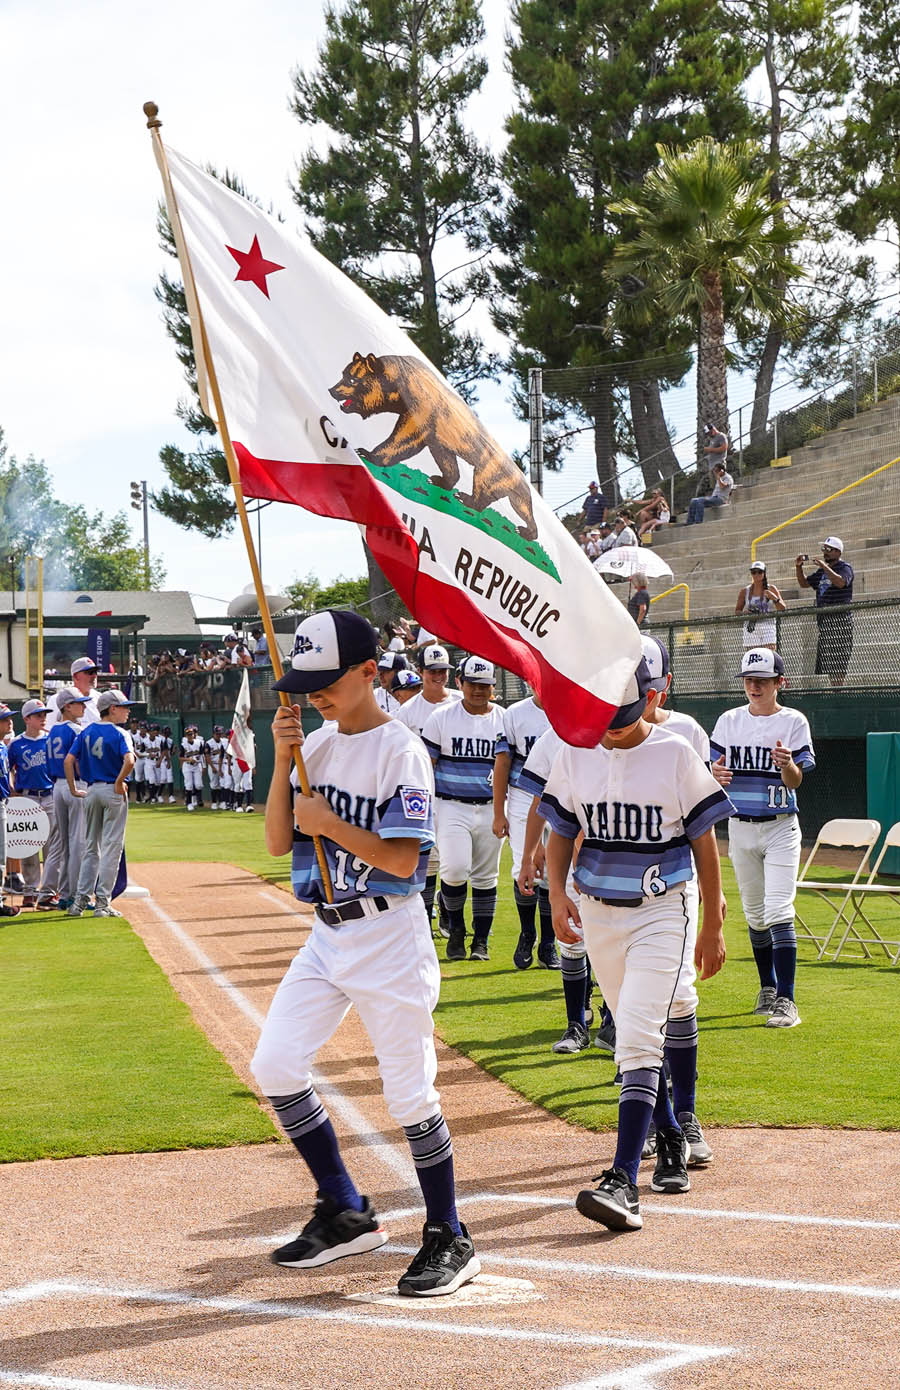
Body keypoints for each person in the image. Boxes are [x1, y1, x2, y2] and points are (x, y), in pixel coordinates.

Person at [250, 609, 479, 1296]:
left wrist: (330, 823)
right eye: (306, 683)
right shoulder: (314, 747)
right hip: (329, 933)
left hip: (389, 936)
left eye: (327, 681)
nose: (314, 694)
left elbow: (405, 859)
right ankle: (347, 1209)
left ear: (368, 673)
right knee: (276, 1063)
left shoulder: (401, 749)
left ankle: (450, 1235)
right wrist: (285, 758)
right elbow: (273, 841)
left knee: (409, 1093)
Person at [540, 658, 733, 1229]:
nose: (613, 729)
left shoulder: (674, 752)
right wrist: (556, 894)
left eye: (623, 719)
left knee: (640, 1032)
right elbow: (561, 830)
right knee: (630, 1029)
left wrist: (714, 922)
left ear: (647, 701)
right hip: (600, 911)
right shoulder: (575, 749)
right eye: (605, 719)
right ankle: (671, 1135)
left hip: (663, 909)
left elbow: (704, 840)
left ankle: (623, 1179)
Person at [710, 648, 814, 1030]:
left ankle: (787, 1000)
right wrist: (714, 778)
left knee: (778, 910)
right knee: (754, 914)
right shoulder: (728, 721)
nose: (754, 686)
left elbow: (797, 781)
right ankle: (767, 987)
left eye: (763, 681)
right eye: (749, 680)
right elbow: (713, 771)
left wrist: (787, 766)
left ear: (779, 684)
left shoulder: (793, 722)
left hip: (780, 826)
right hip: (739, 825)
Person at [516, 726, 596, 1053]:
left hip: (620, 859)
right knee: (573, 941)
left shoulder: (627, 733)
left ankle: (614, 1022)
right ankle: (576, 1023)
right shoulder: (553, 738)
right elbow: (542, 799)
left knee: (614, 944)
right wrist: (528, 855)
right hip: (572, 854)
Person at [422, 656, 506, 961]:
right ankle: (456, 930)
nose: (478, 691)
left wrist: (502, 811)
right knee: (454, 870)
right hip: (450, 804)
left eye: (485, 685)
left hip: (491, 806)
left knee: (486, 876)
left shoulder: (503, 719)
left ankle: (480, 941)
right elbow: (426, 765)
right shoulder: (441, 718)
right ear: (460, 683)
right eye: (473, 684)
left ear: (493, 687)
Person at [394, 644, 462, 934]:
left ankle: (447, 908)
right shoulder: (407, 713)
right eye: (432, 671)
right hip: (422, 793)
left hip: (457, 793)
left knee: (456, 861)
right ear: (420, 672)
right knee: (429, 858)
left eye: (443, 671)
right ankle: (426, 915)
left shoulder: (461, 701)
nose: (438, 676)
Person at [492, 690, 558, 970]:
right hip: (521, 795)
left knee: (556, 869)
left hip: (561, 794)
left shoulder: (570, 708)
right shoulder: (514, 713)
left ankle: (548, 942)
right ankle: (527, 932)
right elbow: (503, 762)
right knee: (526, 864)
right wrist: (498, 812)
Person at [65, 690, 137, 918]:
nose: (128, 710)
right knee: (112, 848)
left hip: (91, 790)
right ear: (112, 708)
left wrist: (73, 788)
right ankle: (102, 903)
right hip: (111, 791)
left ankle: (79, 902)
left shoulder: (86, 731)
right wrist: (118, 782)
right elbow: (130, 760)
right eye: (124, 706)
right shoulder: (120, 733)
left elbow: (68, 760)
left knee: (90, 849)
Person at [39, 687, 89, 910]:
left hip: (56, 787)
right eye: (79, 703)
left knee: (62, 844)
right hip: (74, 785)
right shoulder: (75, 729)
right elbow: (78, 762)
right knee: (78, 842)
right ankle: (75, 895)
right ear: (67, 706)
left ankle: (58, 893)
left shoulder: (52, 731)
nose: (84, 706)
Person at [7, 697, 55, 909]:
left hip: (50, 794)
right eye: (38, 715)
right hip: (27, 796)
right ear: (26, 718)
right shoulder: (17, 743)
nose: (43, 718)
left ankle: (49, 891)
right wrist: (12, 789)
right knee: (28, 846)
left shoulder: (51, 739)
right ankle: (30, 890)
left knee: (52, 846)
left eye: (44, 714)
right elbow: (7, 768)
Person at [796, 536, 854, 688]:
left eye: (828, 550)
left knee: (838, 662)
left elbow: (841, 582)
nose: (825, 553)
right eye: (824, 549)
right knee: (829, 662)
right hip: (825, 622)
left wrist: (825, 567)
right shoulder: (821, 571)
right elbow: (804, 583)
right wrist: (798, 567)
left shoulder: (844, 568)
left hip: (840, 621)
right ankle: (835, 690)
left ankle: (838, 691)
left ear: (838, 552)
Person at [736, 561, 785, 649]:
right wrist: (745, 613)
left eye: (759, 571)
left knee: (769, 655)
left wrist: (774, 598)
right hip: (751, 626)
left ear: (764, 573)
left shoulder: (771, 588)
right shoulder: (745, 591)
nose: (756, 574)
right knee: (753, 656)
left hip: (768, 626)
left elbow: (782, 609)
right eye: (754, 572)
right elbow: (737, 611)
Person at [0, 705, 20, 918]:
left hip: (2, 801)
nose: (9, 722)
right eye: (5, 719)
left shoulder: (3, 748)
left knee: (0, 856)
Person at [48, 657, 100, 727]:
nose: (94, 676)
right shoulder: (57, 700)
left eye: (95, 672)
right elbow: (49, 730)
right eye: (90, 672)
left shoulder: (101, 699)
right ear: (76, 676)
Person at [180, 723, 207, 811]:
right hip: (187, 766)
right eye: (188, 734)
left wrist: (204, 767)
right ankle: (189, 803)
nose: (190, 735)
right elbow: (180, 757)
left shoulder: (199, 743)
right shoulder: (184, 745)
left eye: (191, 734)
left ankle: (198, 800)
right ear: (186, 735)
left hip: (197, 765)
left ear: (194, 734)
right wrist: (189, 760)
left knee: (199, 785)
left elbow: (202, 755)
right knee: (189, 785)